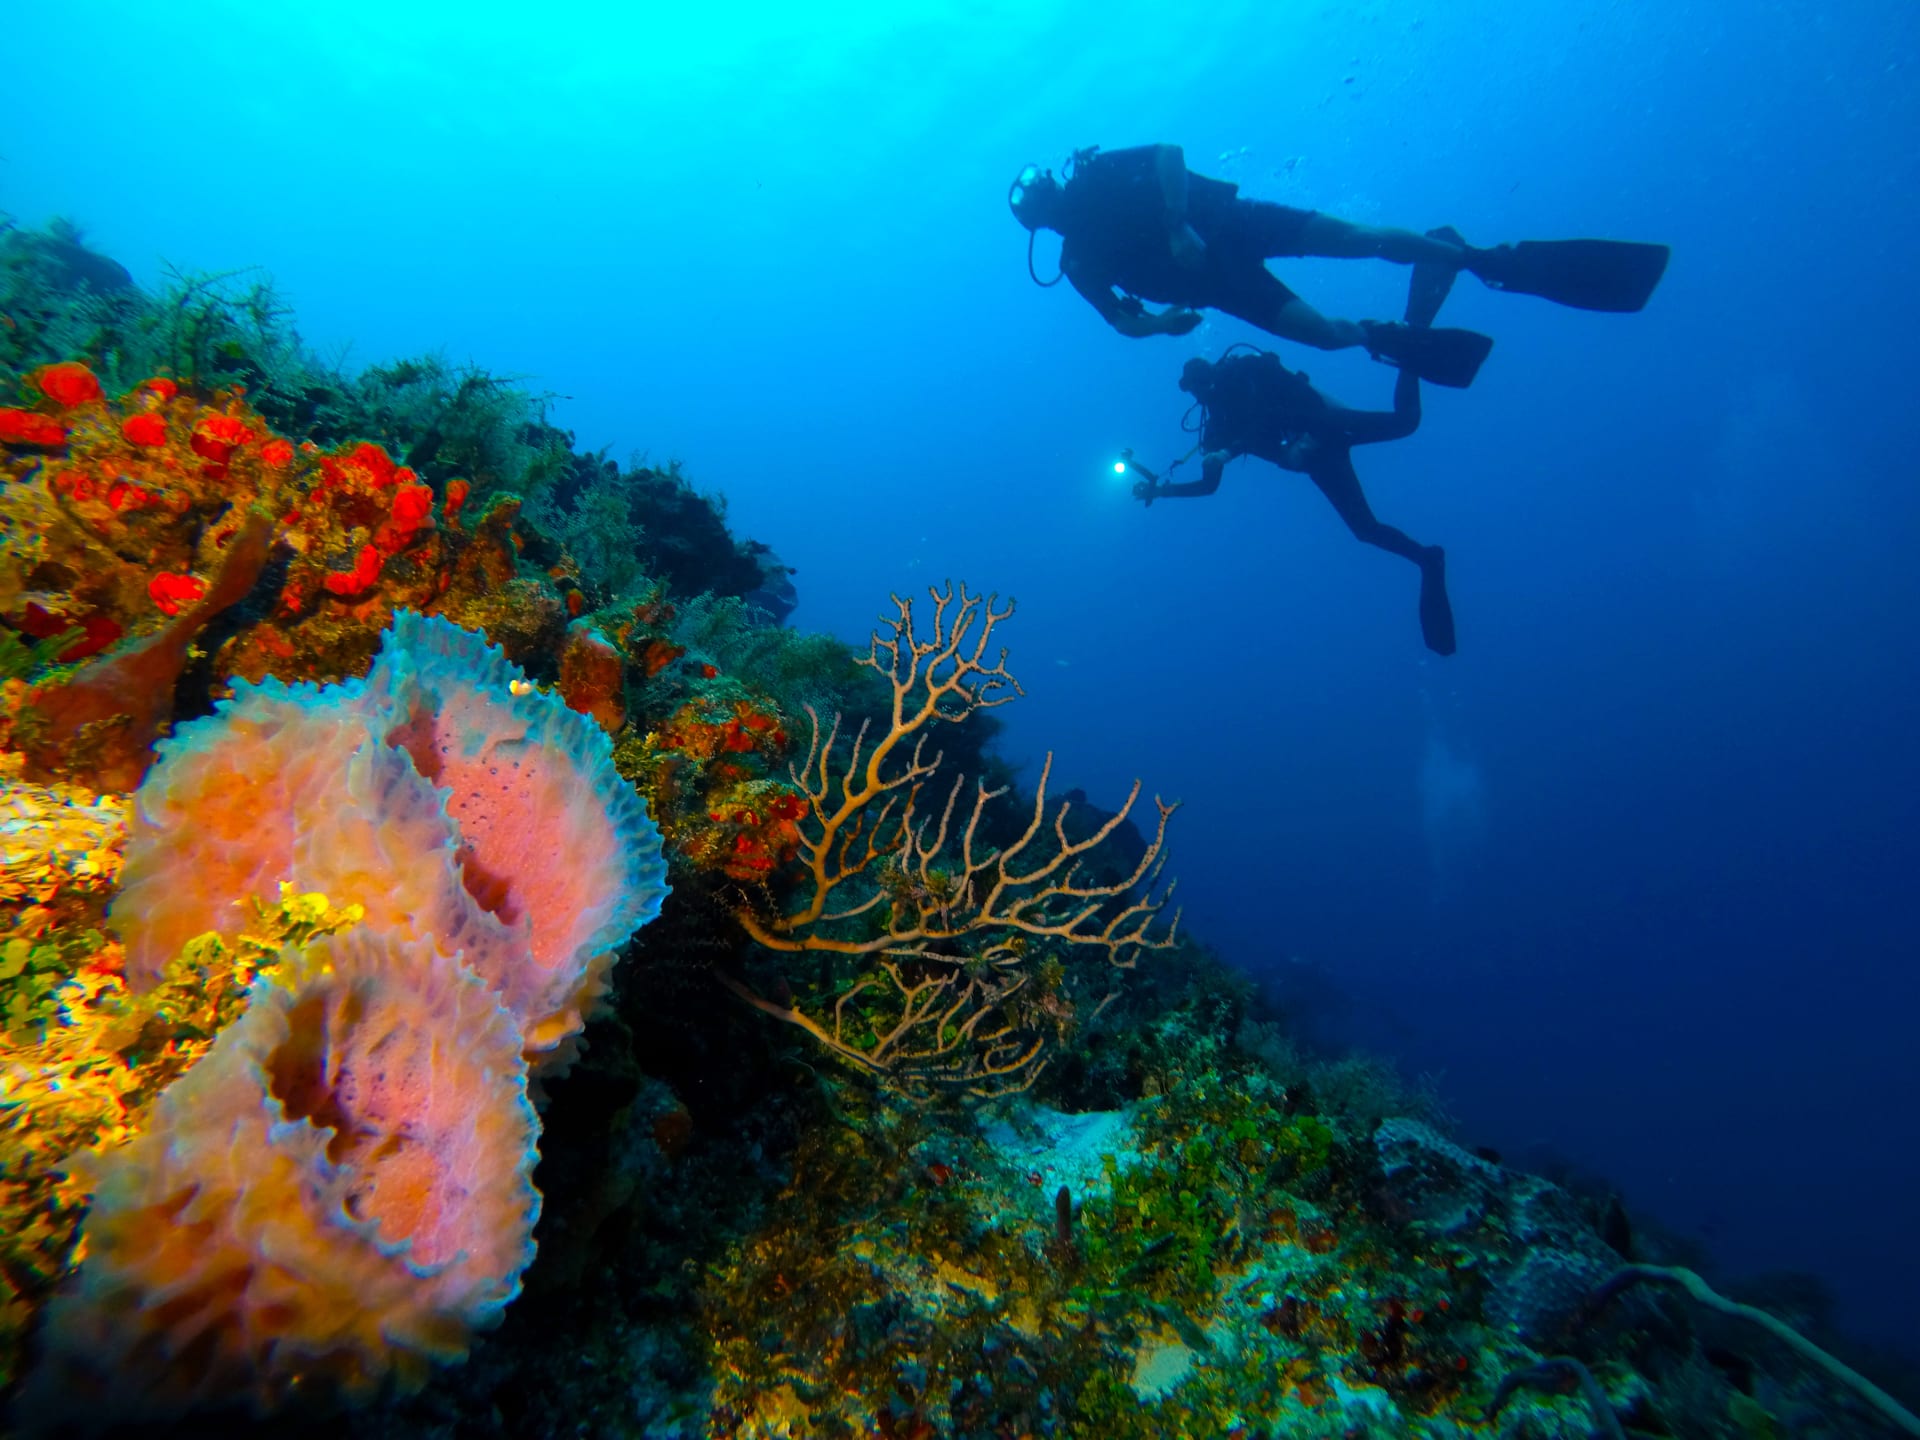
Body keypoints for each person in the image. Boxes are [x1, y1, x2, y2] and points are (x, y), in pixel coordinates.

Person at [1008, 144, 1668, 389]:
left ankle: (1483, 261)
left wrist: (1179, 223)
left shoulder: (1096, 172)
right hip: (1221, 285)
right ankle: (1383, 334)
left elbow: (1169, 154)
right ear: (1042, 219)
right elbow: (1122, 321)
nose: (1057, 196)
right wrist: (1161, 324)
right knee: (1324, 337)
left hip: (1230, 224)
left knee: (1359, 237)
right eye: (1046, 200)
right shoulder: (1078, 261)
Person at [1126, 269, 1460, 655]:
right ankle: (1427, 560)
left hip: (1326, 428)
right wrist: (1161, 491)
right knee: (1365, 530)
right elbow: (1208, 486)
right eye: (1196, 389)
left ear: (1213, 373)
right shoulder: (1217, 426)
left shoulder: (1247, 372)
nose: (1204, 393)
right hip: (1318, 462)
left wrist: (1234, 451)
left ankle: (1410, 334)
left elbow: (1275, 411)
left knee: (1406, 423)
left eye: (1204, 383)